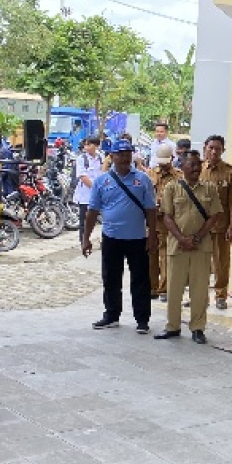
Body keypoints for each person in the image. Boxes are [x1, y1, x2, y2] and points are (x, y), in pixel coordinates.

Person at [81, 138, 158, 333]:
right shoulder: (101, 181)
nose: (125, 157)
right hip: (111, 237)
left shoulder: (143, 179)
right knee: (111, 278)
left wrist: (152, 235)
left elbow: (151, 210)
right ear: (112, 156)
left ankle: (142, 320)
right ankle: (111, 315)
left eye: (128, 153)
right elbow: (92, 211)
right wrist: (86, 238)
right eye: (120, 154)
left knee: (140, 280)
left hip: (137, 238)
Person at [155, 150, 222, 344]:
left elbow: (214, 215)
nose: (196, 168)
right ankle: (172, 326)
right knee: (174, 289)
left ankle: (198, 328)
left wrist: (198, 237)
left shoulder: (210, 188)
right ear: (181, 167)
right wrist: (182, 239)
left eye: (198, 164)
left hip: (201, 247)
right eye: (191, 164)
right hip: (178, 247)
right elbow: (167, 216)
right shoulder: (171, 188)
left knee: (199, 290)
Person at [201, 135, 232, 311]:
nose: (214, 151)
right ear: (205, 148)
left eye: (217, 148)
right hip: (199, 226)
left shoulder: (230, 172)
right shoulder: (197, 169)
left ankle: (220, 295)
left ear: (223, 150)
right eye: (211, 148)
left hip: (221, 225)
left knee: (221, 262)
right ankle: (199, 294)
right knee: (199, 262)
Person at [146, 143, 183, 302]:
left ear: (172, 159)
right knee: (151, 254)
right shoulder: (150, 174)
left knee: (166, 254)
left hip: (169, 221)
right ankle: (152, 287)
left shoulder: (179, 177)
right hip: (152, 220)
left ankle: (164, 288)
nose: (163, 165)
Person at [73, 136, 104, 246]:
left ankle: (104, 240)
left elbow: (104, 173)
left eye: (89, 144)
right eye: (85, 145)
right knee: (85, 220)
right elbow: (83, 176)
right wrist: (95, 188)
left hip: (101, 195)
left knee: (105, 219)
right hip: (85, 195)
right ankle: (84, 241)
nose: (86, 147)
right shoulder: (82, 159)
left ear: (96, 146)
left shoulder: (101, 158)